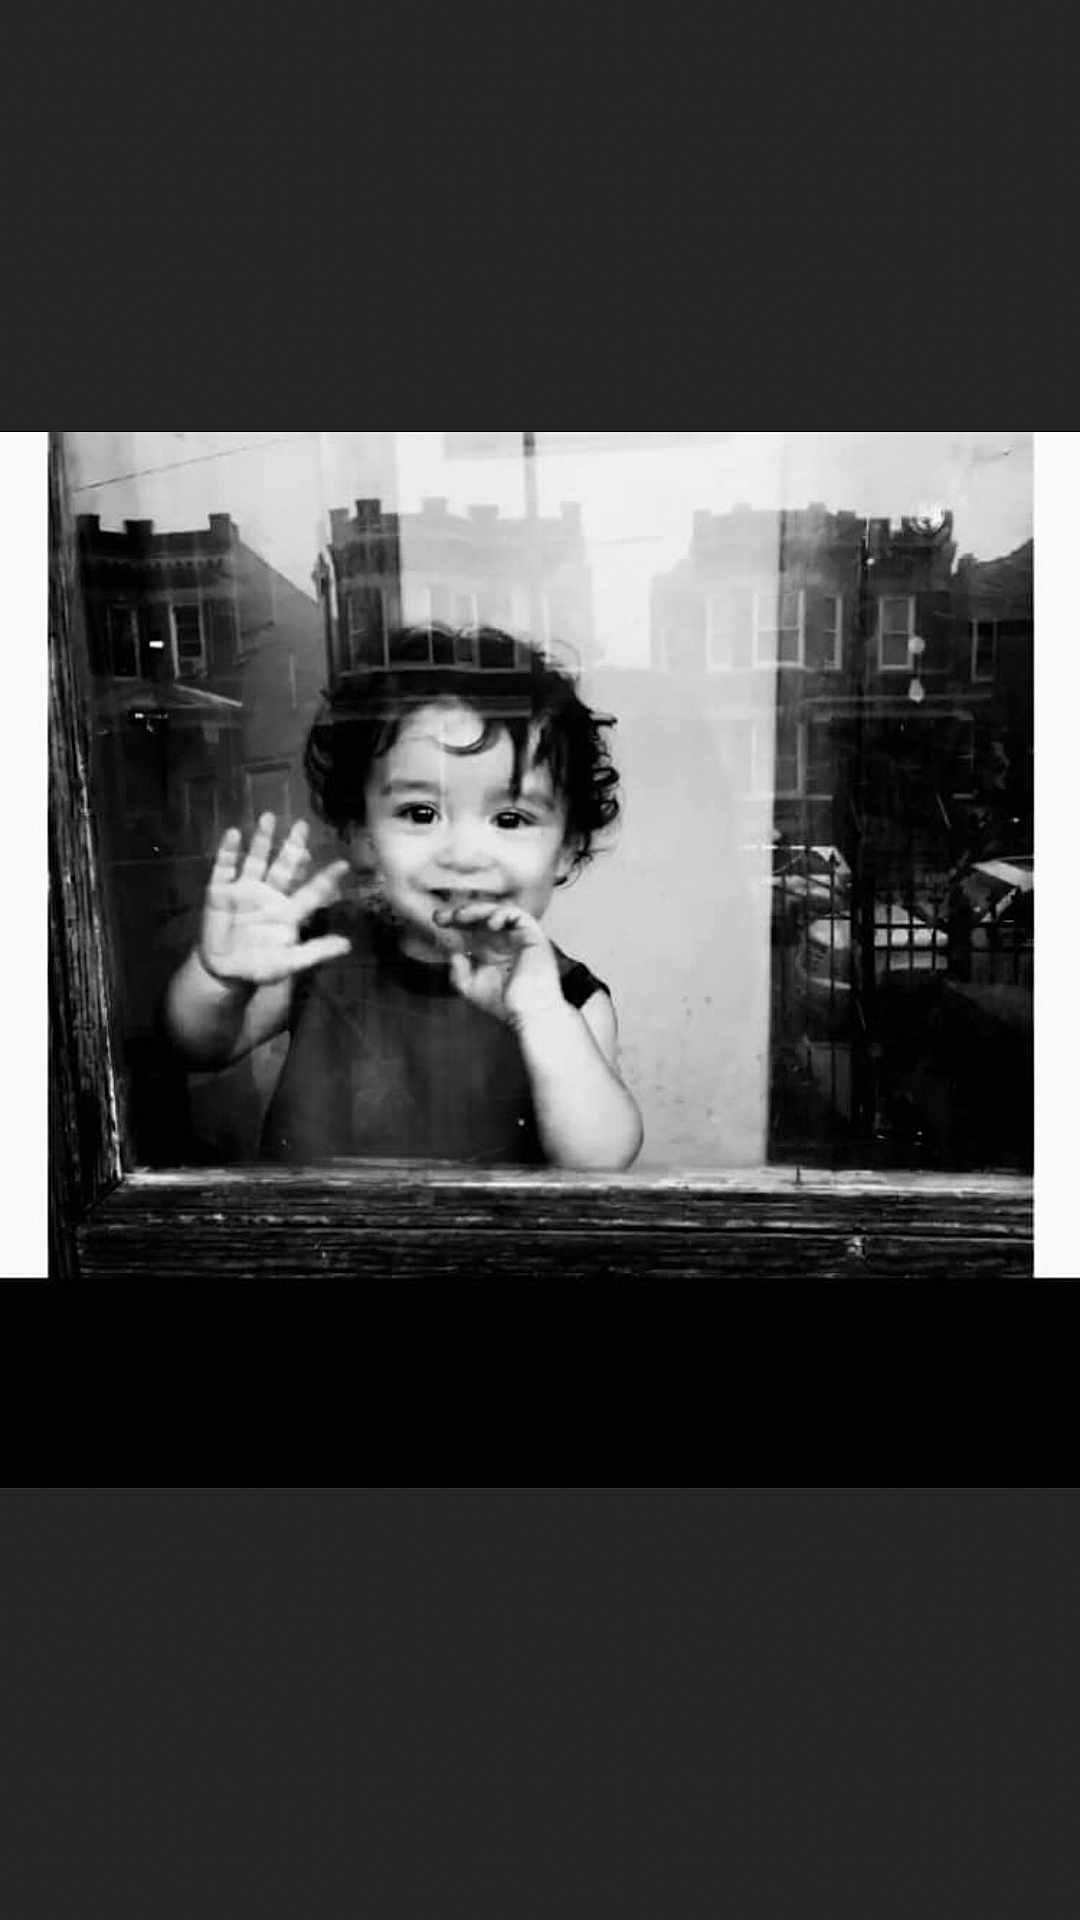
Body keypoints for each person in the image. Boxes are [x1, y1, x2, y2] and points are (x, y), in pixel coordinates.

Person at [163, 627, 644, 1169]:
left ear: (565, 849)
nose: (463, 854)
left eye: (510, 818)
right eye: (421, 813)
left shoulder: (565, 996)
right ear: (364, 833)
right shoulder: (319, 950)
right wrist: (219, 977)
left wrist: (538, 1016)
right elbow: (198, 1047)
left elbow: (601, 1162)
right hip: (313, 1242)